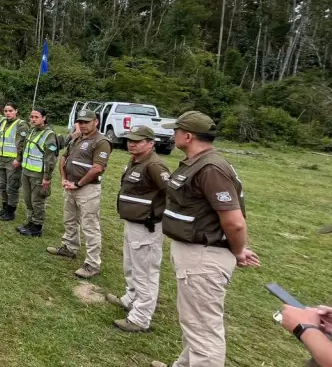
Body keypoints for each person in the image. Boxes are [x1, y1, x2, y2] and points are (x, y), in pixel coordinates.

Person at [149, 111, 259, 367]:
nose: (173, 134)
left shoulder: (210, 168)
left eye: (176, 130)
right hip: (196, 252)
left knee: (204, 333)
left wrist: (238, 250)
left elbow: (234, 222)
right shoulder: (199, 163)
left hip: (204, 257)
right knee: (194, 323)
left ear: (188, 136)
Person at [106, 125, 169, 333]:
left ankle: (141, 318)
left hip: (147, 226)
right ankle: (130, 298)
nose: (131, 144)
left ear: (151, 143)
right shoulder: (136, 161)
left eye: (137, 141)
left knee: (146, 272)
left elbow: (172, 194)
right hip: (134, 222)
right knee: (131, 265)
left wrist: (157, 214)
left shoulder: (155, 166)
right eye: (130, 140)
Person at [48, 108, 109, 279]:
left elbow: (97, 168)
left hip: (87, 189)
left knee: (90, 226)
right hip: (70, 185)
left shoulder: (101, 141)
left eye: (86, 122)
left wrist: (78, 184)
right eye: (80, 122)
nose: (82, 125)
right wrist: (64, 179)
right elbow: (64, 158)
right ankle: (69, 247)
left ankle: (92, 264)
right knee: (69, 219)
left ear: (95, 122)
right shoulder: (77, 138)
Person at [16, 108, 60, 238]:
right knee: (28, 199)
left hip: (38, 174)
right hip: (27, 171)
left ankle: (37, 226)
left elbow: (50, 158)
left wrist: (47, 177)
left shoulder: (49, 135)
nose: (33, 119)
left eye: (36, 117)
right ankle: (30, 222)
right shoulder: (32, 131)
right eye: (31, 117)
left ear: (44, 118)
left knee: (37, 200)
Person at [0, 103, 29, 221]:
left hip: (12, 161)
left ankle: (11, 210)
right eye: (6, 111)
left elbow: (22, 144)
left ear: (16, 111)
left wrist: (19, 159)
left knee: (12, 186)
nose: (7, 113)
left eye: (10, 111)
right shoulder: (2, 122)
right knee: (2, 185)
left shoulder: (21, 124)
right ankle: (5, 207)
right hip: (0, 158)